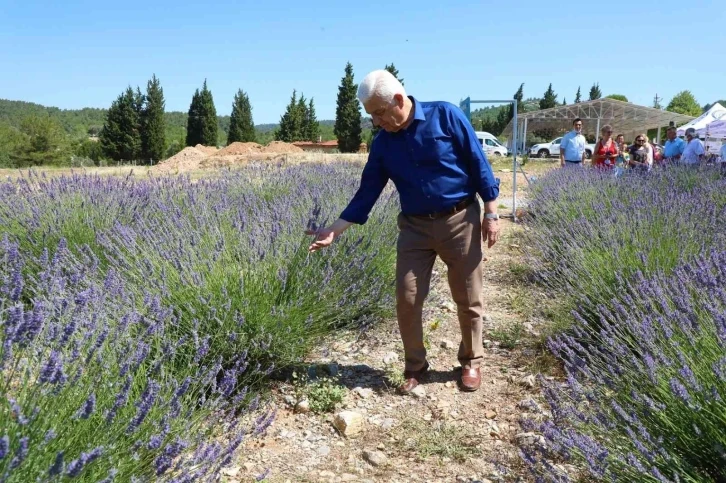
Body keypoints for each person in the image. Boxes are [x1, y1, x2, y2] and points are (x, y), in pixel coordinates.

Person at [305, 70, 500, 394]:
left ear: (398, 100)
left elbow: (479, 163)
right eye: (372, 117)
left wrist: (491, 213)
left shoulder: (446, 116)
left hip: (459, 221)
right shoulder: (383, 144)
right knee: (407, 299)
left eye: (379, 113)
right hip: (414, 228)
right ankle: (415, 365)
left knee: (468, 297)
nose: (377, 122)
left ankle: (470, 361)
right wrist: (335, 230)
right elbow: (367, 192)